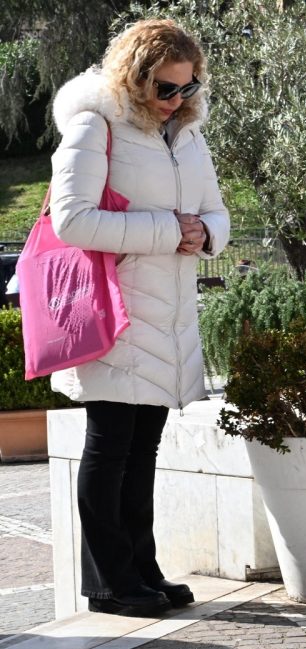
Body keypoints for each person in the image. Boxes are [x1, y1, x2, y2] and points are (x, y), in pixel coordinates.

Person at [49, 20, 229, 615]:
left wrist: (207, 234)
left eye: (189, 86)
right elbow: (71, 220)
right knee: (111, 445)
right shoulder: (94, 124)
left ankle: (142, 570)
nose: (179, 100)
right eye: (166, 89)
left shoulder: (188, 133)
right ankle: (110, 582)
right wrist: (165, 231)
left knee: (143, 447)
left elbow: (216, 213)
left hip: (167, 311)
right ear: (135, 78)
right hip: (113, 310)